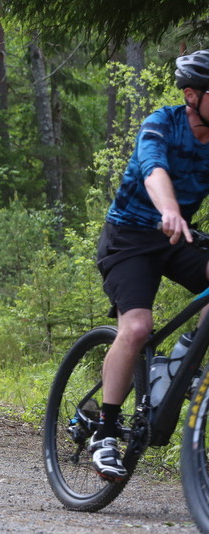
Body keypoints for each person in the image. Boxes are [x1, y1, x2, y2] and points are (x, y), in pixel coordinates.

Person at [92, 49, 209, 481]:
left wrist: (178, 223)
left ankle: (183, 361)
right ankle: (104, 433)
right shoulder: (162, 123)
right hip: (129, 238)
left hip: (178, 236)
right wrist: (170, 210)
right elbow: (152, 169)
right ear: (193, 96)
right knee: (137, 328)